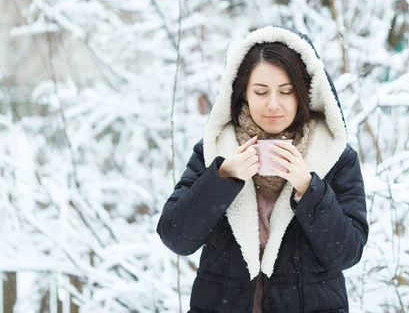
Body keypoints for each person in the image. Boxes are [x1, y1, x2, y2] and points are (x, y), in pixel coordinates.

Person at [156, 26, 369, 313]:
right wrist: (222, 178)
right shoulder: (216, 150)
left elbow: (347, 252)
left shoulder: (333, 157)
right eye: (260, 91)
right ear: (243, 92)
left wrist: (308, 188)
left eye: (286, 91)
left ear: (304, 94)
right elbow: (175, 237)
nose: (273, 105)